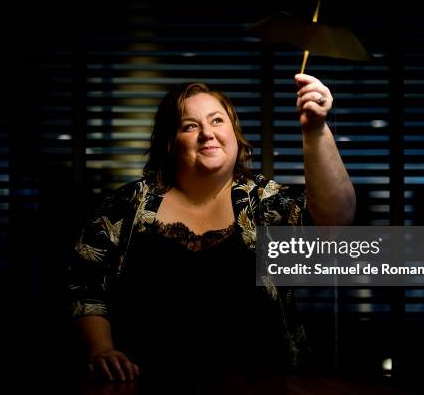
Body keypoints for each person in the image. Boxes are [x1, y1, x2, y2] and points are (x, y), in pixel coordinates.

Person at [68, 74, 355, 383]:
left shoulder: (262, 202)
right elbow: (85, 286)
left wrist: (315, 129)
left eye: (217, 121)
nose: (207, 133)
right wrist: (102, 350)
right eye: (190, 126)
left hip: (262, 386)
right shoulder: (126, 205)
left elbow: (333, 224)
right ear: (169, 142)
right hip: (146, 384)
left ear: (235, 135)